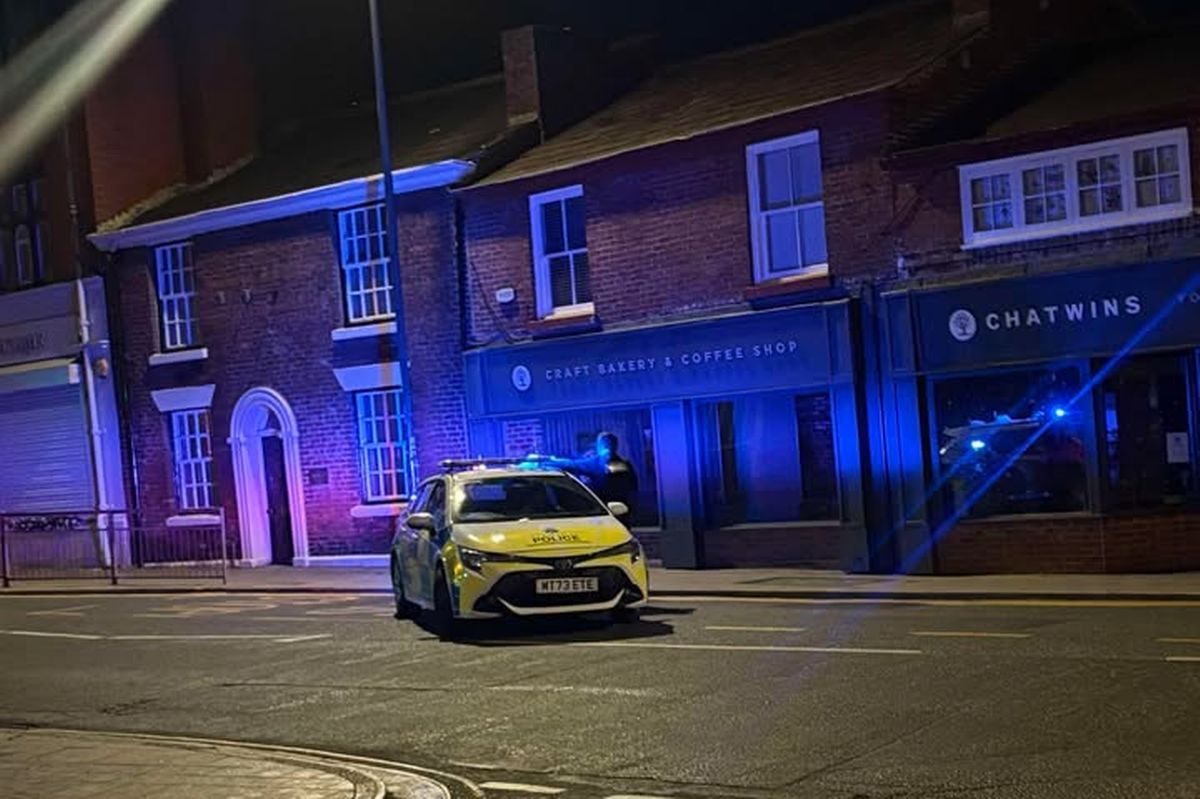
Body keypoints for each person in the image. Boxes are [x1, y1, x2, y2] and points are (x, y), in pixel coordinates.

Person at [548, 432, 638, 522]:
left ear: (599, 445)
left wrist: (550, 462)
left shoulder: (597, 463)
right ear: (616, 445)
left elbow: (571, 464)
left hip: (602, 509)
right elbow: (633, 486)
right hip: (622, 508)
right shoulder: (625, 464)